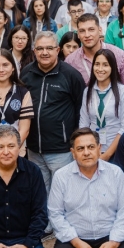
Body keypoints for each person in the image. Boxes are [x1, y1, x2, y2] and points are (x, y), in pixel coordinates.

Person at [20, 31, 85, 234]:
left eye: (50, 48)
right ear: (34, 51)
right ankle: (46, 225)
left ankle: (64, 228)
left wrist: (74, 142)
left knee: (63, 191)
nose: (45, 52)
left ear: (58, 50)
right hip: (34, 147)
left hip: (61, 147)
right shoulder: (26, 73)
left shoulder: (71, 75)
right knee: (41, 189)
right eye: (40, 48)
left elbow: (80, 109)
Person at [48, 128, 124, 248]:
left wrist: (114, 243)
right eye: (80, 148)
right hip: (73, 238)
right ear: (73, 153)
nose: (86, 152)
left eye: (91, 147)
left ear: (99, 148)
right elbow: (55, 214)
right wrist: (76, 242)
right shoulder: (61, 177)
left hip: (110, 236)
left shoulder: (115, 173)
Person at [66, 14, 124, 124]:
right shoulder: (71, 61)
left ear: (100, 30)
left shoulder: (120, 56)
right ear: (78, 35)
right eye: (82, 31)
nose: (87, 35)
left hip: (115, 119)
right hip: (85, 119)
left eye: (91, 29)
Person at [79, 49, 124, 162]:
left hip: (116, 151)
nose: (100, 69)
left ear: (112, 68)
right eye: (97, 64)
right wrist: (90, 149)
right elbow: (84, 124)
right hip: (92, 151)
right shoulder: (87, 91)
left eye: (105, 65)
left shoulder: (123, 91)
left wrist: (106, 155)